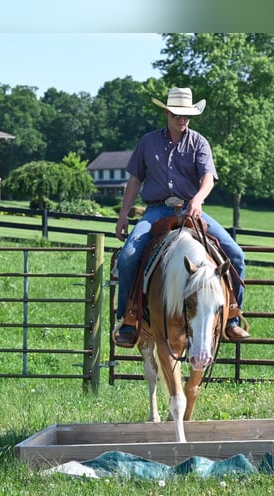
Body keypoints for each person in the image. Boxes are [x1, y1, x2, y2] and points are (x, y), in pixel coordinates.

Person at [113, 87, 249, 347]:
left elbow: (208, 178)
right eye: (177, 114)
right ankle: (128, 318)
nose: (182, 119)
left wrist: (197, 200)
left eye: (186, 115)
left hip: (191, 208)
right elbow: (134, 180)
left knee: (236, 255)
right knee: (129, 256)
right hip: (156, 210)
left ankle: (231, 317)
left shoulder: (199, 142)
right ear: (167, 112)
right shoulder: (148, 142)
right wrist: (123, 215)